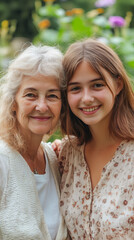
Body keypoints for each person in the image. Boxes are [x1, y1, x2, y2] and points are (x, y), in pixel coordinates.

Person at [55, 38, 134, 239]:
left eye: (97, 85)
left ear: (117, 85)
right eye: (75, 88)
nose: (87, 97)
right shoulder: (67, 154)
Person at [0, 44, 69, 240]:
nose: (42, 106)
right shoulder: (2, 161)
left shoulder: (54, 158)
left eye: (52, 96)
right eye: (30, 94)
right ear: (13, 102)